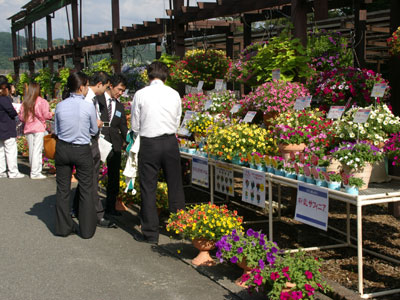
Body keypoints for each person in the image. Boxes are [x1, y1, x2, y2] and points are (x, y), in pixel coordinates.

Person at [131, 61, 186, 244]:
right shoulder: (174, 94)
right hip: (170, 142)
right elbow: (178, 119)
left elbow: (135, 124)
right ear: (166, 76)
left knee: (148, 187)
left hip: (149, 142)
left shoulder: (140, 94)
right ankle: (179, 228)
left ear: (148, 75)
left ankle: (150, 233)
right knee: (175, 185)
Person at [54, 72, 98, 239]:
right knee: (87, 188)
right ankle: (86, 231)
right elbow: (94, 130)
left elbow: (57, 130)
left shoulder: (60, 105)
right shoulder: (88, 106)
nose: (87, 89)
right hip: (81, 149)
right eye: (86, 86)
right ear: (81, 87)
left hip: (63, 149)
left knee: (63, 189)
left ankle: (63, 228)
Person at [72, 71, 115, 228]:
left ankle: (76, 208)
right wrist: (95, 124)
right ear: (100, 84)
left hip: (86, 141)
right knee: (91, 179)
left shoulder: (90, 98)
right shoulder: (88, 99)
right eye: (106, 86)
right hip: (89, 141)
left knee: (86, 178)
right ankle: (97, 215)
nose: (106, 90)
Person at [97, 74, 128, 216]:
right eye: (119, 89)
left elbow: (123, 127)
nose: (120, 93)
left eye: (123, 91)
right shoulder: (98, 100)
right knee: (93, 172)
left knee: (114, 176)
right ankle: (87, 206)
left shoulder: (120, 106)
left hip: (115, 142)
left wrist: (130, 140)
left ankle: (110, 207)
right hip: (100, 139)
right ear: (111, 86)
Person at [18, 83, 53, 179]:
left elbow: (21, 117)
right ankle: (35, 172)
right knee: (37, 150)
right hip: (38, 128)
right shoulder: (42, 101)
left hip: (28, 127)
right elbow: (46, 115)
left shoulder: (25, 102)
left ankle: (33, 170)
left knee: (32, 150)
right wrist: (51, 113)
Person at [0, 75, 24, 179]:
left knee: (0, 151)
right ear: (4, 86)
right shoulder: (4, 99)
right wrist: (16, 113)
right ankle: (13, 172)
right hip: (7, 128)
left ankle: (1, 171)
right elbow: (11, 112)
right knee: (10, 151)